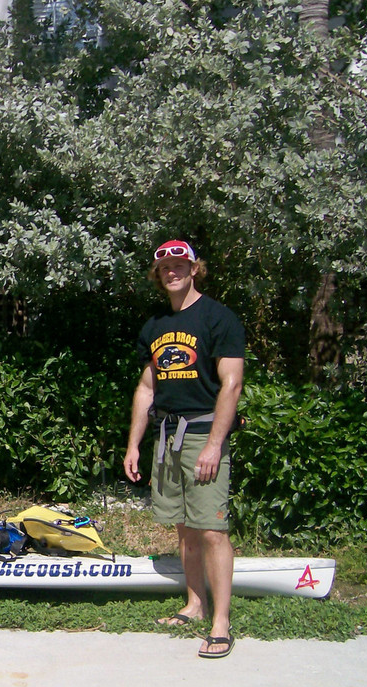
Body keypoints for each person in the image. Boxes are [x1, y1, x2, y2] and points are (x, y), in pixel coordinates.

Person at [123, 240, 244, 659]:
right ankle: (194, 605)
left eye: (179, 264)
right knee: (184, 528)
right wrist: (134, 444)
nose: (172, 271)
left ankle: (221, 624)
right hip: (167, 437)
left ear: (194, 269)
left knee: (211, 529)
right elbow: (146, 387)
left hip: (203, 434)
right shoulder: (155, 325)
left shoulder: (218, 317)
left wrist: (214, 445)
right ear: (158, 275)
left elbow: (231, 384)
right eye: (165, 267)